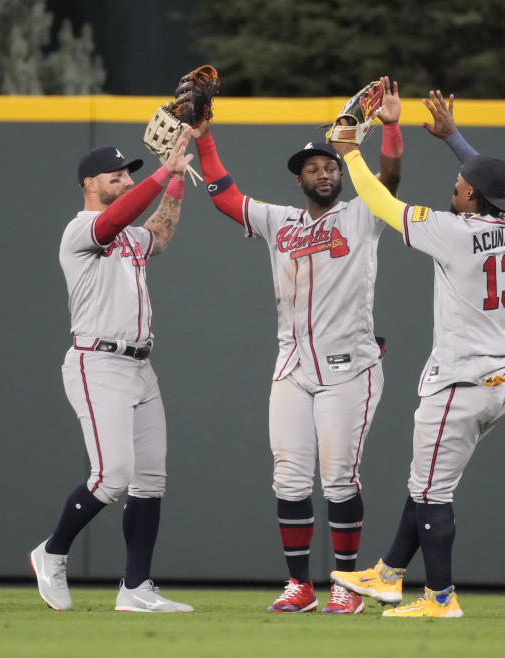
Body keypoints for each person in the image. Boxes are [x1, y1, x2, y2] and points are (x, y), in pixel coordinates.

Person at [189, 78, 404, 614]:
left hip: (349, 367)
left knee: (337, 479)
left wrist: (393, 127)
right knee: (288, 475)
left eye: (331, 166)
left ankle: (347, 587)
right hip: (292, 367)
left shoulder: (361, 214)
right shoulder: (278, 221)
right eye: (314, 168)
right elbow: (224, 196)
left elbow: (390, 176)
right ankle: (300, 586)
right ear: (300, 178)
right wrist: (204, 138)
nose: (325, 173)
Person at [328, 90, 505, 618]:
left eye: (462, 186)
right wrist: (454, 140)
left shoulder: (454, 232)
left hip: (462, 383)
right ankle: (390, 573)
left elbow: (381, 204)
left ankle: (441, 598)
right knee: (426, 482)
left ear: (473, 199)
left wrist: (350, 152)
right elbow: (489, 183)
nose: (456, 186)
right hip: (499, 378)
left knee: (432, 493)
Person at [29, 130, 196, 613]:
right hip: (96, 362)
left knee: (150, 481)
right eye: (116, 176)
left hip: (140, 366)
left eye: (129, 175)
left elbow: (160, 233)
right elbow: (121, 215)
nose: (125, 181)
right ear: (89, 184)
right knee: (112, 476)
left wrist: (177, 181)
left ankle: (136, 589)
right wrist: (163, 170)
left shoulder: (128, 234)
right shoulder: (82, 229)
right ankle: (52, 552)